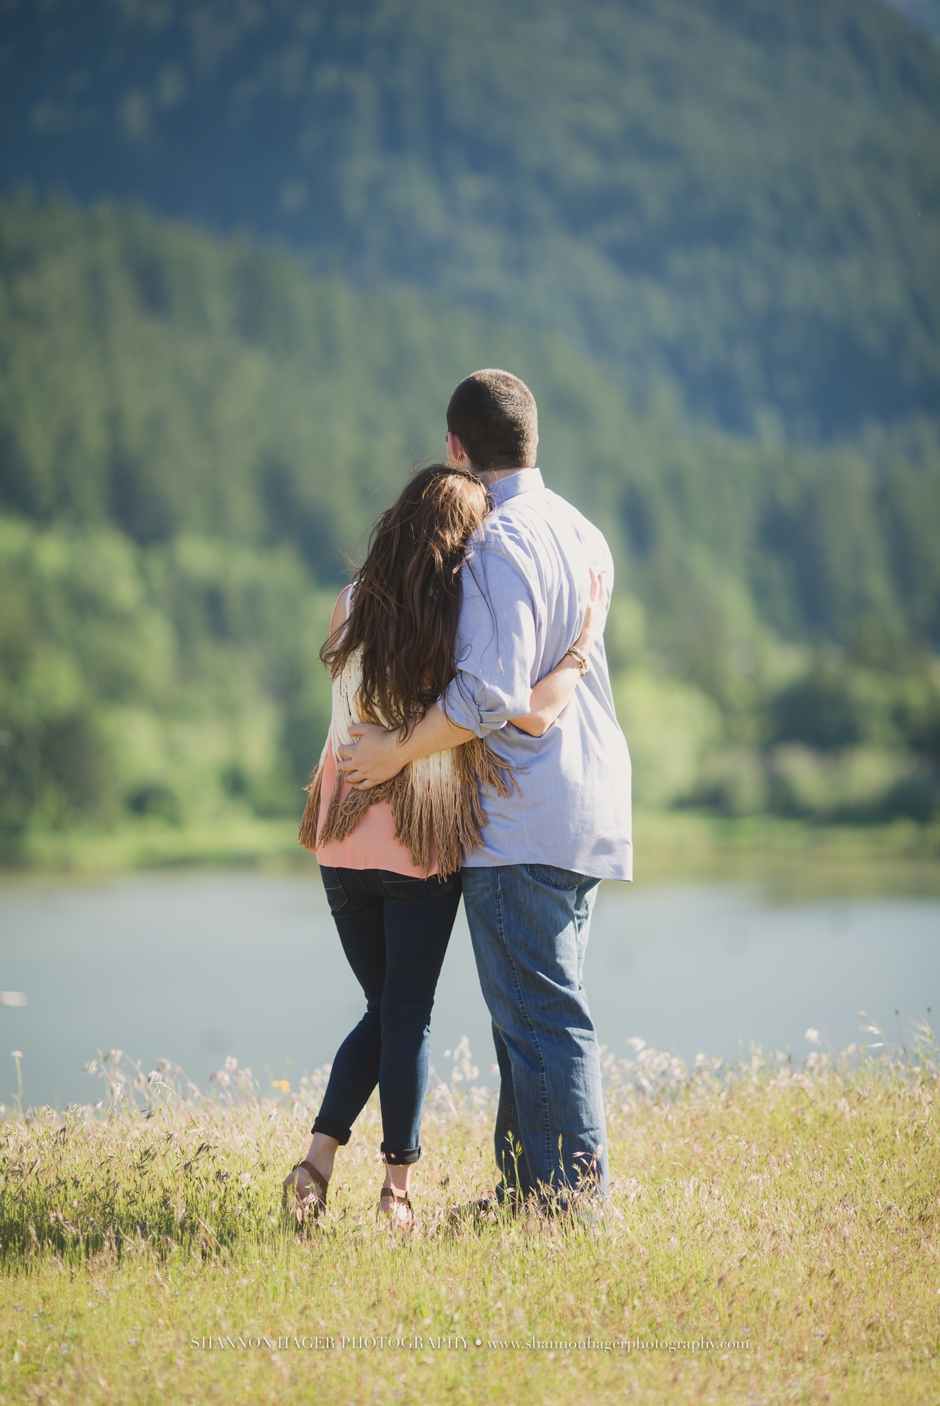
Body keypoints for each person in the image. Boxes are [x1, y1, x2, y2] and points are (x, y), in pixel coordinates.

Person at [337, 370, 633, 1214]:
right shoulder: (584, 531)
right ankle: (525, 1192)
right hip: (586, 802)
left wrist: (395, 750)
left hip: (523, 811)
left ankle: (569, 1205)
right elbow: (547, 685)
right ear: (532, 439)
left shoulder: (498, 543)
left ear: (456, 448)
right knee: (528, 1017)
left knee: (540, 1019)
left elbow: (488, 697)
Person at [282, 463, 606, 1228]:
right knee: (406, 1014)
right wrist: (582, 644)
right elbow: (526, 714)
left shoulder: (349, 604)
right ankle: (395, 1190)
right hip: (418, 843)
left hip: (337, 839)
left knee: (382, 1007)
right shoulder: (455, 614)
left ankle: (317, 1163)